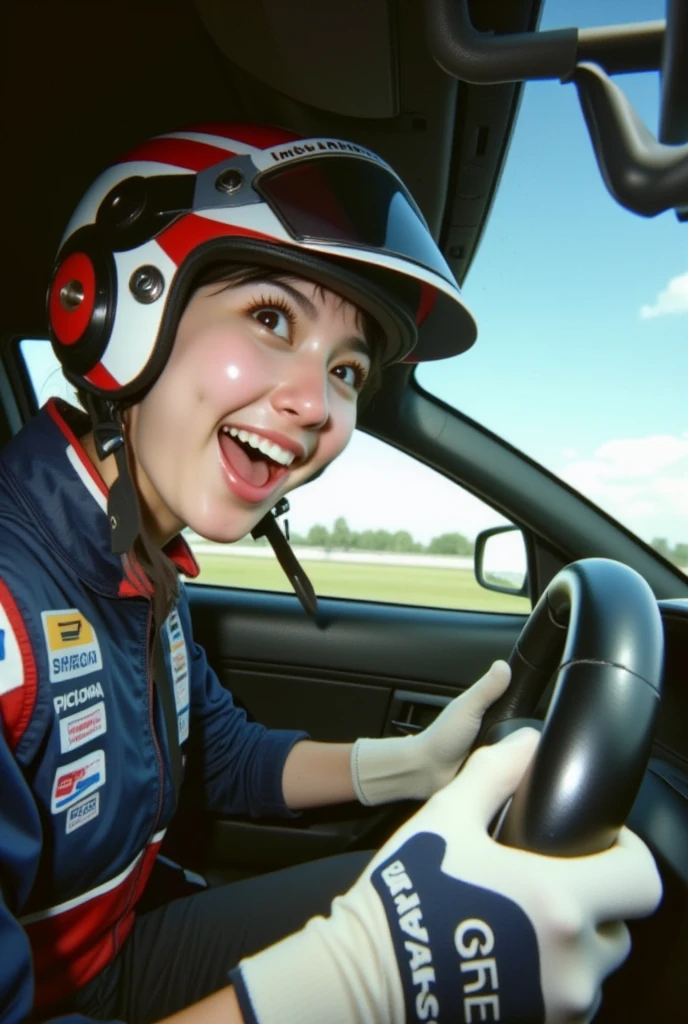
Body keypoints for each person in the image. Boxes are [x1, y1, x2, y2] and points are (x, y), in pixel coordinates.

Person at [0, 122, 660, 1024]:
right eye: (272, 319)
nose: (316, 407)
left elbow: (219, 760)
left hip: (119, 948)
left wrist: (411, 766)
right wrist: (366, 978)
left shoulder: (145, 566)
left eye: (346, 369)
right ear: (116, 305)